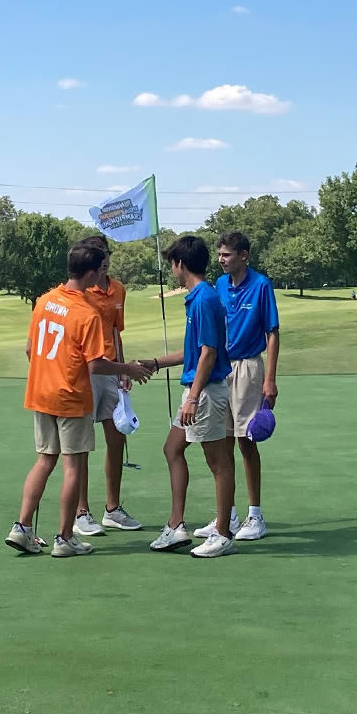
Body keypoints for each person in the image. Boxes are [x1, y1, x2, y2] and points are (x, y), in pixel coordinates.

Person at [5, 242, 152, 558]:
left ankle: (22, 528)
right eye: (101, 268)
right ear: (91, 271)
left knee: (45, 460)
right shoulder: (86, 312)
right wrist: (128, 368)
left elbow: (31, 350)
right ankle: (65, 538)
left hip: (40, 393)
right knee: (74, 465)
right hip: (71, 396)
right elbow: (96, 364)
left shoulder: (44, 301)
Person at [144, 235, 238, 558]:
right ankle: (176, 526)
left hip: (206, 392)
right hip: (198, 388)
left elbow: (209, 355)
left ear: (180, 264)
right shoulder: (199, 298)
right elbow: (193, 352)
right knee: (172, 448)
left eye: (172, 264)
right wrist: (155, 363)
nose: (171, 270)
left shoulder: (203, 300)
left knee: (218, 462)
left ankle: (223, 533)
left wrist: (192, 398)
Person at [203, 231, 280, 541]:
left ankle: (255, 515)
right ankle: (228, 515)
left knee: (246, 441)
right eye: (220, 254)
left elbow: (272, 332)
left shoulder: (261, 285)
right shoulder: (220, 285)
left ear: (243, 256)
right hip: (222, 368)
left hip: (249, 367)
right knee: (222, 443)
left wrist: (270, 379)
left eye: (227, 254)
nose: (221, 259)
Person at [72, 236, 144, 536]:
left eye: (107, 253)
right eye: (99, 254)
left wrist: (124, 370)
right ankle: (81, 512)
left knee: (117, 438)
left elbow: (115, 331)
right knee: (82, 444)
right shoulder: (79, 289)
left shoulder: (118, 289)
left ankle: (112, 509)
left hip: (112, 369)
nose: (105, 259)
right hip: (85, 372)